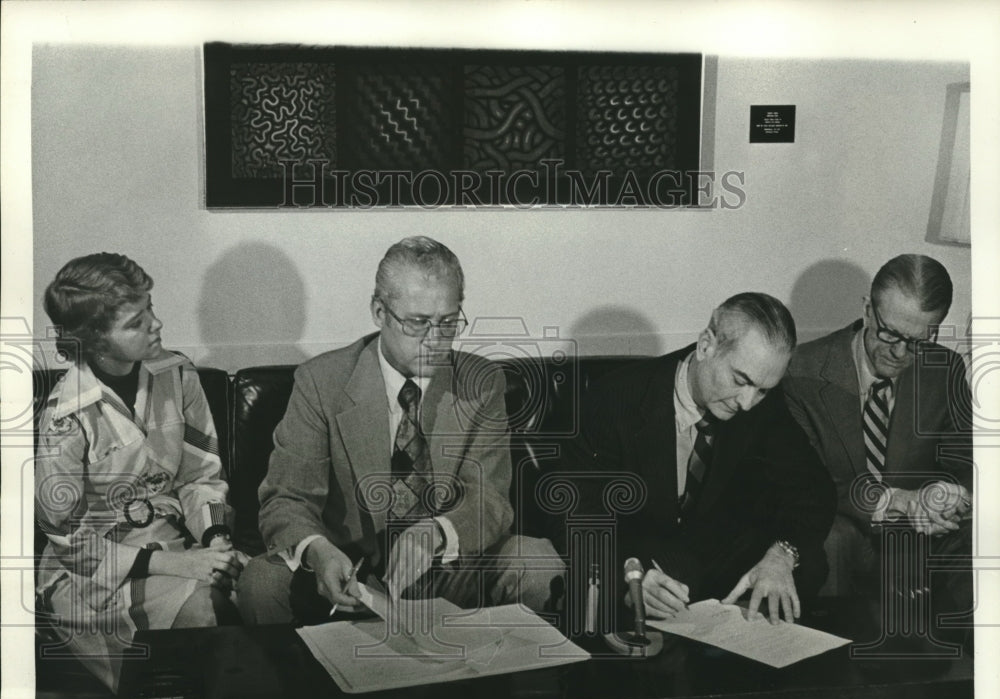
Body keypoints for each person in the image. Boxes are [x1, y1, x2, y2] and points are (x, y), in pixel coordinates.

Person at [238, 236, 564, 624]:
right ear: (379, 311)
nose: (435, 340)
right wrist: (317, 551)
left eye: (448, 322)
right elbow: (287, 498)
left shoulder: (482, 382)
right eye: (418, 322)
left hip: (450, 568)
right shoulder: (321, 382)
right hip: (349, 570)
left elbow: (490, 499)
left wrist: (438, 532)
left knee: (537, 562)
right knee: (260, 582)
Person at [35, 253, 247, 693]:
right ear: (94, 341)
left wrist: (215, 541)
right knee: (202, 609)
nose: (156, 323)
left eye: (149, 306)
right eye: (135, 322)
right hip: (93, 575)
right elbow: (68, 539)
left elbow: (200, 476)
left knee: (258, 593)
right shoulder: (63, 418)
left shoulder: (178, 375)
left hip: (177, 543)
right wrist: (179, 564)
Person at [563, 292, 835, 624]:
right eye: (740, 380)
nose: (747, 403)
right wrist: (628, 574)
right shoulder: (614, 400)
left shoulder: (762, 400)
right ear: (706, 345)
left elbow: (815, 489)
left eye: (763, 389)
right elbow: (578, 514)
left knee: (810, 562)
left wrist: (782, 555)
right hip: (642, 559)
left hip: (714, 557)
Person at [783, 254, 972, 610]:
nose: (900, 352)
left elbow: (970, 464)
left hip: (923, 538)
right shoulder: (801, 371)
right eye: (889, 333)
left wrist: (949, 492)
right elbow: (803, 485)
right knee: (830, 538)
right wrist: (897, 500)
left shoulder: (946, 370)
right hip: (845, 530)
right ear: (868, 310)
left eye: (918, 340)